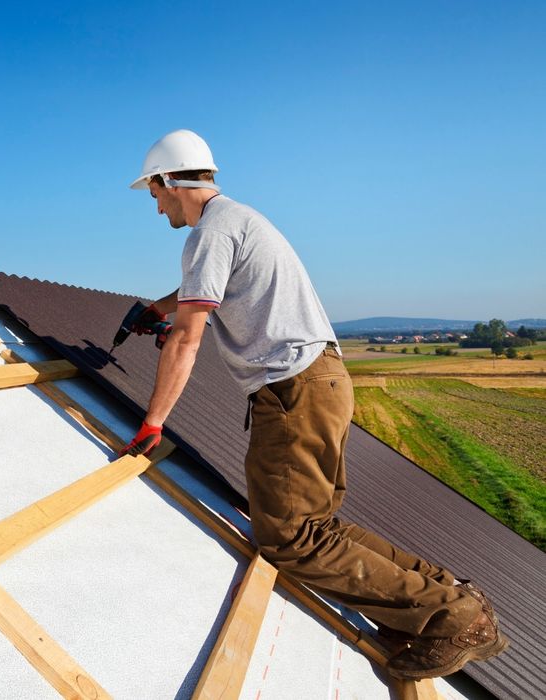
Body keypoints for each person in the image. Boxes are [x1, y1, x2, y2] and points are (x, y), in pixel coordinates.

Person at [119, 129, 508, 679]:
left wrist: (151, 423)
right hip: (320, 381)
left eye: (153, 194)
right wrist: (157, 307)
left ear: (168, 180)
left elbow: (188, 336)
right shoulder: (239, 219)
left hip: (293, 391)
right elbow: (197, 299)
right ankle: (448, 599)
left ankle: (453, 618)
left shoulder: (208, 233)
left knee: (288, 538)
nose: (155, 207)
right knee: (317, 527)